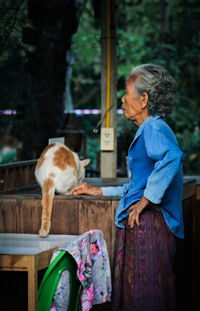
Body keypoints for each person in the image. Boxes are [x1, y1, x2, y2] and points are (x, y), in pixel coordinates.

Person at [69, 64, 184, 311]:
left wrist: (145, 201)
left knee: (145, 297)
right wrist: (99, 191)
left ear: (143, 99)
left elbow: (172, 157)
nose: (122, 98)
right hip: (145, 226)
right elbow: (139, 184)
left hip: (149, 227)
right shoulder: (150, 129)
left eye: (126, 90)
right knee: (142, 294)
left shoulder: (153, 126)